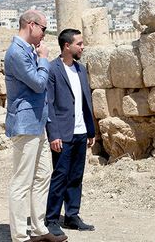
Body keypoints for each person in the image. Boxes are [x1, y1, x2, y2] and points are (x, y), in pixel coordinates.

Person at [4, 10, 67, 242]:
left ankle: (39, 228)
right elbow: (39, 84)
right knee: (22, 180)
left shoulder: (26, 50)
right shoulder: (15, 53)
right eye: (43, 28)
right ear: (31, 25)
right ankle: (20, 236)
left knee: (42, 176)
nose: (44, 34)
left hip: (37, 123)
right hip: (25, 123)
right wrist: (43, 58)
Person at [45, 29, 95, 236]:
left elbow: (85, 101)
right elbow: (49, 104)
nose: (82, 47)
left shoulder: (81, 69)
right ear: (67, 46)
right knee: (60, 176)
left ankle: (72, 216)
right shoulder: (52, 70)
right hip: (62, 134)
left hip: (81, 132)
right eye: (79, 44)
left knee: (76, 176)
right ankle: (52, 220)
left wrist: (90, 130)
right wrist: (53, 134)